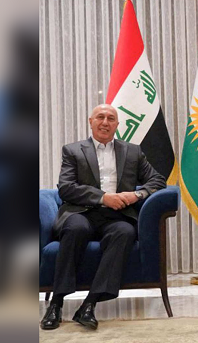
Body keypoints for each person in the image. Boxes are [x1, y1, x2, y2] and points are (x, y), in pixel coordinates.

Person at [40, 104, 166, 331]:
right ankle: (56, 304)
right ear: (91, 121)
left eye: (111, 118)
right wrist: (102, 198)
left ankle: (89, 304)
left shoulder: (133, 152)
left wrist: (137, 194)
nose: (105, 122)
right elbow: (66, 188)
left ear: (117, 125)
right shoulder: (73, 151)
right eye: (100, 117)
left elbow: (157, 180)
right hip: (80, 212)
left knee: (125, 232)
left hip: (117, 216)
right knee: (76, 229)